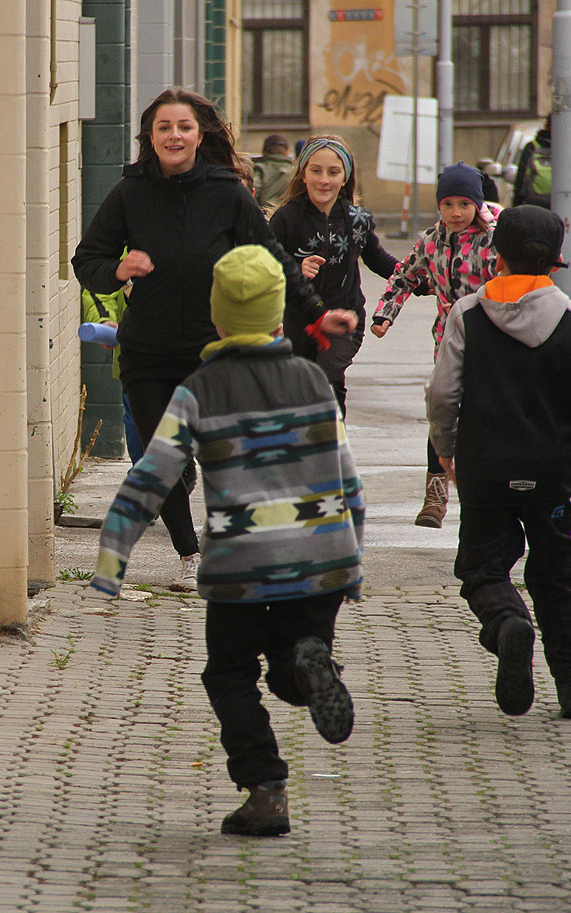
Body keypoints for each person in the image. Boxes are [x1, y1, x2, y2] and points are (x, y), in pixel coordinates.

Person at [91, 245, 363, 836]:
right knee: (296, 654)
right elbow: (345, 477)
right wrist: (353, 560)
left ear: (216, 319)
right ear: (276, 318)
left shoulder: (198, 390)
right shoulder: (314, 381)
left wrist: (112, 560)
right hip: (319, 558)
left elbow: (151, 477)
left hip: (241, 563)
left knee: (229, 675)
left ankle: (265, 789)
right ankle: (304, 663)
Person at [72, 86, 357, 592]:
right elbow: (86, 261)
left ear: (199, 134)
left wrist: (315, 316)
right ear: (150, 136)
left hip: (214, 350)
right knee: (160, 457)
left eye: (183, 127)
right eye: (164, 127)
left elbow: (272, 257)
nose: (175, 135)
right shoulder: (129, 192)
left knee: (215, 450)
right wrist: (117, 269)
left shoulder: (227, 193)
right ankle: (189, 554)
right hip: (147, 350)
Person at [425, 205, 571, 720]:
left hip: (484, 467)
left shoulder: (467, 314)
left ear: (496, 256)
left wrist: (446, 449)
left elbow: (443, 394)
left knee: (482, 566)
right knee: (558, 573)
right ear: (557, 261)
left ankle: (508, 620)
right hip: (551, 468)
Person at [370, 162, 501, 528]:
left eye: (464, 204)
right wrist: (384, 315)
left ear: (477, 204)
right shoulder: (431, 240)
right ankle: (435, 494)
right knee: (442, 410)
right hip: (448, 339)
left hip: (494, 340)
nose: (456, 213)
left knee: (488, 414)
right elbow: (404, 277)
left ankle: (490, 493)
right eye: (447, 205)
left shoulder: (496, 239)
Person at [268, 135, 399, 415]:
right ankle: (303, 449)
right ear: (303, 174)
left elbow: (380, 260)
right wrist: (294, 267)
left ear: (345, 177)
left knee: (327, 379)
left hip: (344, 320)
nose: (323, 180)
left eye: (333, 172)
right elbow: (265, 267)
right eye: (315, 171)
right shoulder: (286, 219)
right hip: (298, 322)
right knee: (299, 391)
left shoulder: (357, 220)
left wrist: (420, 279)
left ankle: (333, 442)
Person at [81, 282, 144, 462]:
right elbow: (99, 287)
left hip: (188, 351)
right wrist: (104, 320)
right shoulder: (123, 254)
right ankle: (144, 477)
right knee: (138, 417)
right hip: (137, 354)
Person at [512, 116, 552, 208]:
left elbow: (520, 180)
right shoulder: (568, 149)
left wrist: (516, 207)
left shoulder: (532, 147)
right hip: (564, 204)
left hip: (533, 204)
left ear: (545, 126)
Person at [253, 134, 293, 208]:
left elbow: (254, 190)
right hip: (289, 214)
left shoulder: (259, 169)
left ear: (264, 152)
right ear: (287, 152)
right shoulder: (295, 171)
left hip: (264, 214)